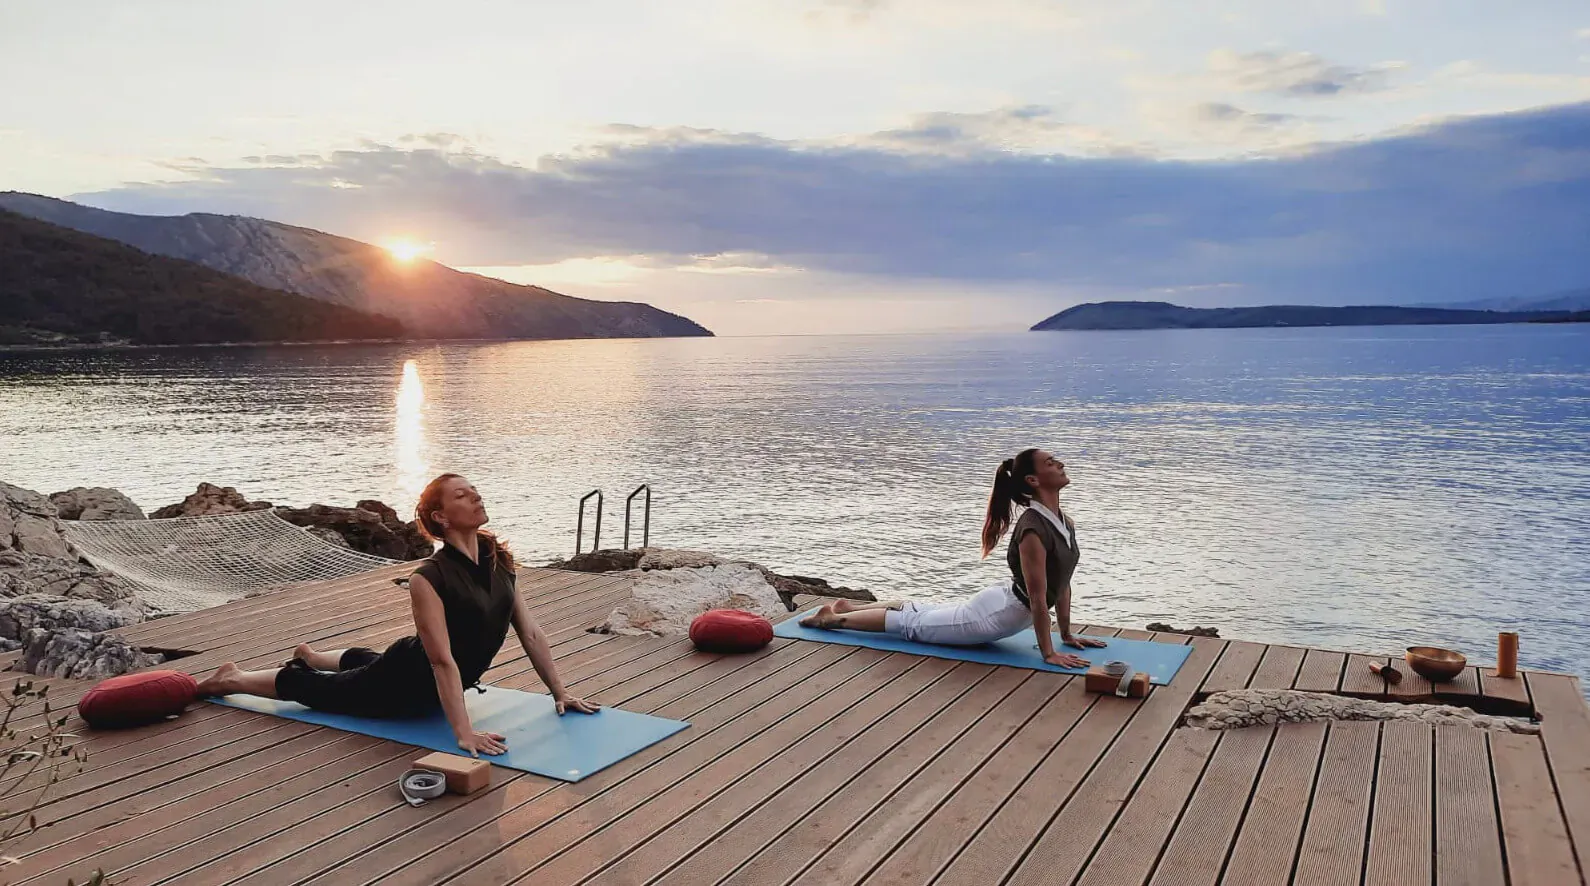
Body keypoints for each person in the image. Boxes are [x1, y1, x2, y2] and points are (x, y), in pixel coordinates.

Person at [196, 473, 599, 757]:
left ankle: (317, 656)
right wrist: (463, 733)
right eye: (462, 495)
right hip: (401, 684)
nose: (476, 497)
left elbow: (530, 633)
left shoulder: (500, 561)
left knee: (368, 662)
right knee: (317, 690)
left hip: (420, 673)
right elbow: (441, 660)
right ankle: (234, 677)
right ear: (440, 516)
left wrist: (559, 692)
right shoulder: (429, 578)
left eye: (474, 490)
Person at [801, 448, 1106, 668]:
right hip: (995, 616)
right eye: (1051, 463)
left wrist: (1066, 634)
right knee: (912, 627)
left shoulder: (1062, 521)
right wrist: (1048, 653)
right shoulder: (1033, 531)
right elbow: (1040, 599)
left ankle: (850, 607)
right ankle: (833, 618)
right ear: (1033, 480)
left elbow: (1062, 582)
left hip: (1004, 602)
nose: (1061, 464)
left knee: (927, 615)